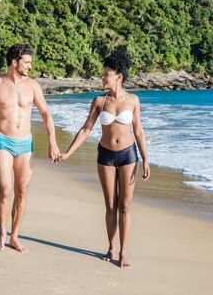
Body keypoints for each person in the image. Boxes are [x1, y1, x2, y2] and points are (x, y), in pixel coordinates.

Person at [58, 50, 150, 268]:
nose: (102, 76)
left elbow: (138, 132)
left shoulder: (133, 100)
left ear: (118, 76)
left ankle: (124, 252)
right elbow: (86, 129)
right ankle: (111, 247)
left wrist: (145, 159)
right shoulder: (99, 101)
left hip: (128, 155)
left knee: (125, 206)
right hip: (106, 156)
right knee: (110, 206)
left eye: (106, 73)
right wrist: (68, 153)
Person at [0, 43, 60, 253]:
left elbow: (46, 113)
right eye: (27, 62)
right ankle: (2, 234)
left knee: (22, 190)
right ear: (15, 62)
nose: (30, 66)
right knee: (5, 190)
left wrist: (52, 141)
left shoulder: (33, 86)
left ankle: (15, 236)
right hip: (2, 140)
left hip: (25, 143)